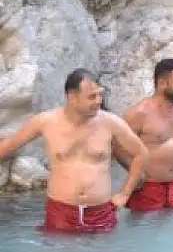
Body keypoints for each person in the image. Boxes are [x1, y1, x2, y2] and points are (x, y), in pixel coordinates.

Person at [0, 69, 149, 233]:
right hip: (61, 211)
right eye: (92, 97)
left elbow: (141, 153)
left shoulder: (111, 122)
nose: (99, 101)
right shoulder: (45, 121)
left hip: (101, 211)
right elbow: (7, 146)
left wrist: (124, 194)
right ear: (72, 97)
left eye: (100, 95)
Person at [116, 58, 173, 212]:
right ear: (162, 83)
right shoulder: (139, 113)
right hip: (148, 185)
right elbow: (117, 146)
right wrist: (135, 172)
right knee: (144, 228)